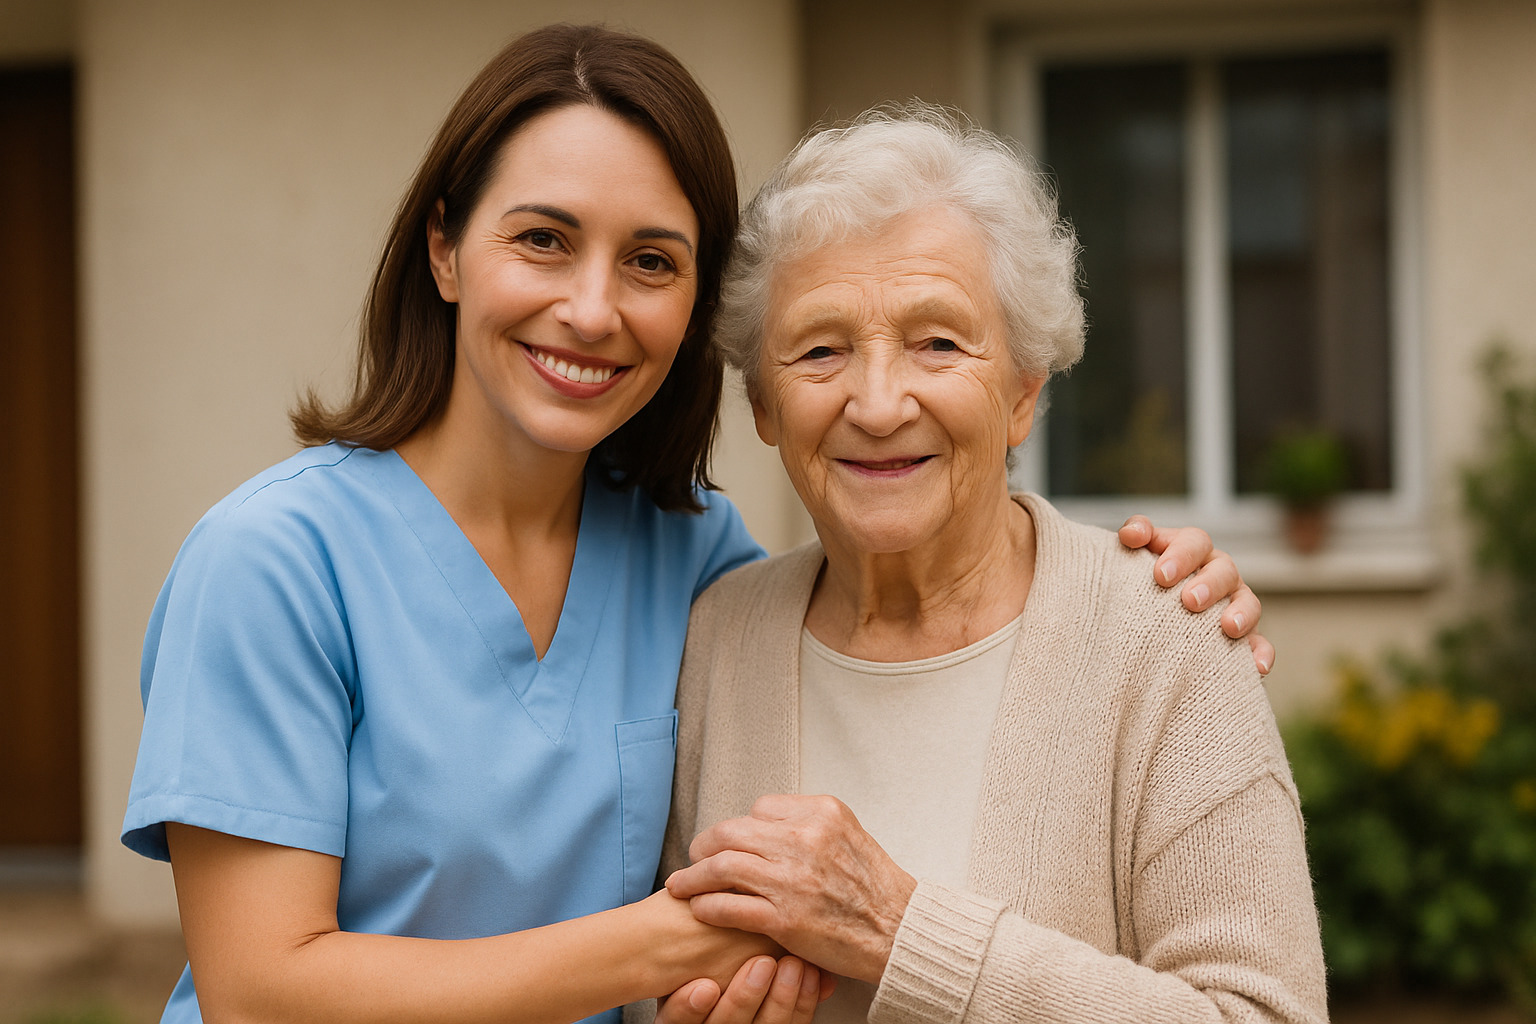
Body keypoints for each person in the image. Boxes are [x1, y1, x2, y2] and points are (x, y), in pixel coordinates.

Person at [121, 26, 1271, 1024]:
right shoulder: (272, 563)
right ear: (443, 249)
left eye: (651, 262)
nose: (591, 306)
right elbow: (260, 993)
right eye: (541, 239)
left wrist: (1159, 595)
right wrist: (677, 943)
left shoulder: (699, 565)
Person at [658, 106, 1327, 1024]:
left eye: (938, 342)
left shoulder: (1166, 639)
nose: (881, 402)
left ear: (1021, 393)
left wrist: (899, 933)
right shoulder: (712, 643)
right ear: (766, 406)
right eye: (820, 350)